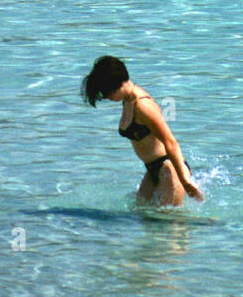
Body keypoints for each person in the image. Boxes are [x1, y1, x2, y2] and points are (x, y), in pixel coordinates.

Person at [82, 56, 204, 206]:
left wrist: (185, 181)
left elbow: (170, 142)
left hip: (169, 169)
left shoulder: (143, 106)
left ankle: (210, 224)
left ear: (115, 84)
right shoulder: (127, 100)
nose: (107, 98)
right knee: (141, 217)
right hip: (152, 170)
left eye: (107, 93)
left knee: (170, 225)